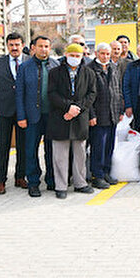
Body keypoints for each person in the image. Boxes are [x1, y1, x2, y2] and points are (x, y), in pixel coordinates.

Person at [47, 43, 96, 199]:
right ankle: (60, 186)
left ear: (82, 57)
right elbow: (52, 93)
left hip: (80, 117)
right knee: (60, 154)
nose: (74, 58)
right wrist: (68, 107)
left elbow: (91, 94)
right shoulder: (55, 73)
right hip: (61, 116)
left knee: (80, 152)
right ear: (66, 55)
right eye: (72, 55)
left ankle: (80, 183)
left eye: (78, 56)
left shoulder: (88, 73)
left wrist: (77, 109)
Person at [16, 35, 59, 198]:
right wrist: (21, 116)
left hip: (52, 116)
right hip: (32, 116)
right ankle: (33, 183)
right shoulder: (25, 67)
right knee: (31, 150)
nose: (44, 49)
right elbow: (19, 94)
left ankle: (51, 180)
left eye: (47, 46)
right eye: (40, 46)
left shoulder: (55, 65)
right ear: (33, 48)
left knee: (51, 149)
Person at [0, 33, 29, 195]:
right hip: (4, 111)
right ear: (7, 46)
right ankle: (0, 180)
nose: (14, 48)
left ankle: (20, 176)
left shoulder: (29, 61)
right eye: (11, 45)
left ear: (22, 45)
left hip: (24, 112)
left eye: (17, 44)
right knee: (3, 146)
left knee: (23, 146)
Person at [90, 42, 124, 189]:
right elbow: (88, 95)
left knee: (109, 145)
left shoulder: (114, 68)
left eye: (107, 54)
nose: (105, 57)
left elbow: (118, 89)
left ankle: (106, 172)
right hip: (99, 114)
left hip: (113, 113)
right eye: (102, 53)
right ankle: (96, 175)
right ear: (97, 53)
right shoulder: (90, 69)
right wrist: (91, 115)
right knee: (98, 146)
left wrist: (120, 110)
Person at [122, 43, 140, 131]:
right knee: (138, 129)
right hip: (137, 102)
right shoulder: (132, 66)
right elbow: (126, 86)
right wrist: (128, 106)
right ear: (137, 53)